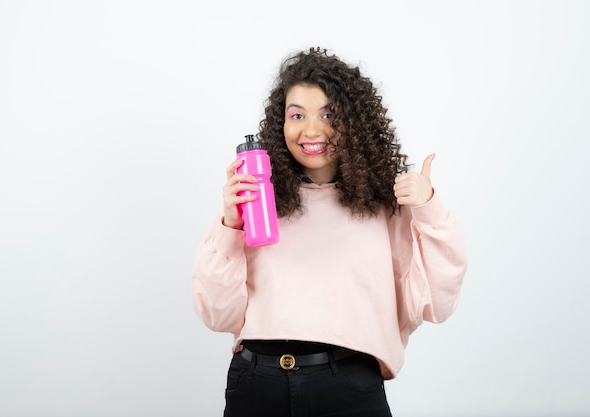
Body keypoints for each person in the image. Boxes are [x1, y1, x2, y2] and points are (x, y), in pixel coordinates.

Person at [191, 46, 467, 417]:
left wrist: (428, 206)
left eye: (328, 114)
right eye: (297, 115)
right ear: (281, 123)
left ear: (354, 121)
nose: (312, 130)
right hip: (256, 384)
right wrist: (230, 224)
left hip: (348, 388)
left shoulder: (384, 204)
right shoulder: (258, 200)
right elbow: (217, 315)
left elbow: (435, 302)